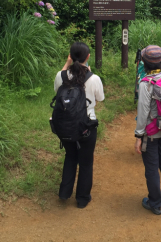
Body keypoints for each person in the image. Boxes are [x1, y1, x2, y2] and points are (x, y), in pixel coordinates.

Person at [54, 42, 104, 209]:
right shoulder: (93, 78)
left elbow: (57, 90)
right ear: (88, 57)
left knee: (70, 156)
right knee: (86, 161)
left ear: (70, 56)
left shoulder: (60, 76)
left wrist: (67, 64)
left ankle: (64, 193)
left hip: (65, 125)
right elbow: (100, 98)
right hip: (86, 126)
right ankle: (82, 198)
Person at [134, 45, 161, 215]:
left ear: (144, 62)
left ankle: (155, 203)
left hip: (151, 132)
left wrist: (138, 136)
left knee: (152, 167)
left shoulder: (146, 83)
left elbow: (143, 112)